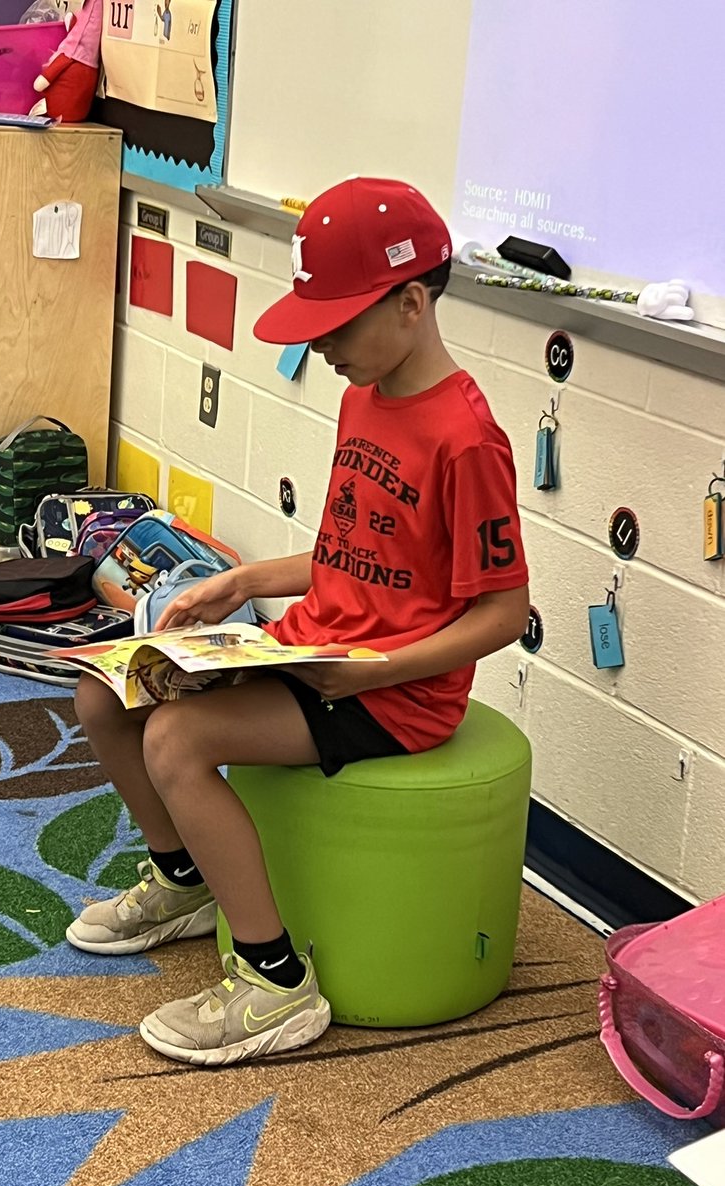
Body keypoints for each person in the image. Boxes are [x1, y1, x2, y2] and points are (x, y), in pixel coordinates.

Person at [67, 176, 530, 1067]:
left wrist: (377, 673)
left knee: (175, 740)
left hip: (394, 691)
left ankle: (274, 982)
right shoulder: (367, 395)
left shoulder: (467, 439)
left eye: (337, 327)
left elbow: (506, 610)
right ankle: (182, 881)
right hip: (314, 647)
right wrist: (239, 582)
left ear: (410, 302)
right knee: (104, 693)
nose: (322, 349)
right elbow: (355, 555)